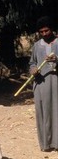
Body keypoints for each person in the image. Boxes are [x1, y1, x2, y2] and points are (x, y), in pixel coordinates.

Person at [29, 16, 58, 151]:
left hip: (56, 82)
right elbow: (32, 63)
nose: (44, 34)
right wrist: (33, 69)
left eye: (46, 31)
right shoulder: (37, 46)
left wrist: (56, 59)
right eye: (41, 32)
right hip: (41, 83)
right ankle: (46, 144)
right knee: (43, 111)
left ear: (52, 29)